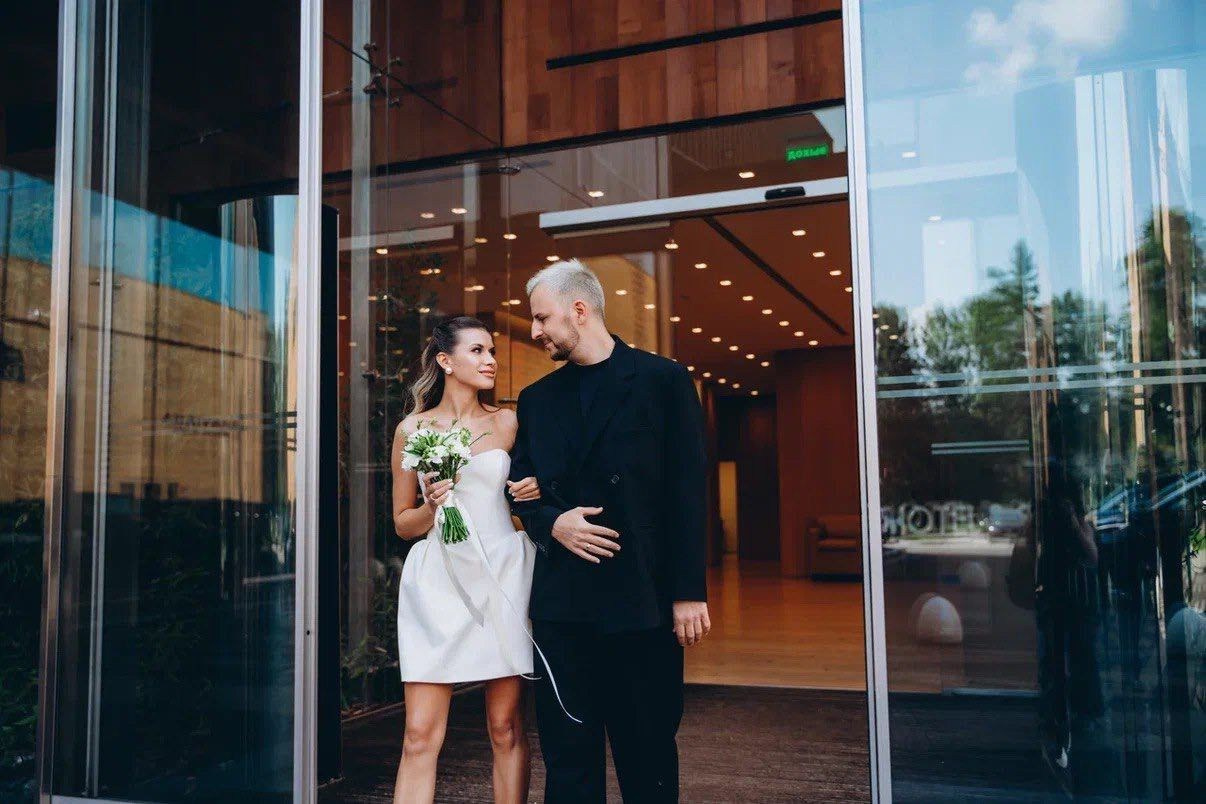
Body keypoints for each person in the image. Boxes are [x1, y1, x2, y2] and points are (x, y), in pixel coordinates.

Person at [509, 259, 711, 803]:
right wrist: (554, 522)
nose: (535, 330)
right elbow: (519, 488)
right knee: (567, 764)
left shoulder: (663, 380)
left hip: (642, 601)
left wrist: (689, 592)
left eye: (541, 317)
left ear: (579, 310)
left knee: (647, 758)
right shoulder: (536, 399)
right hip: (563, 610)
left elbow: (688, 493)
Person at [390, 316, 544, 804]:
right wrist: (432, 506)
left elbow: (529, 502)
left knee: (505, 726)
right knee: (418, 734)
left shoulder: (508, 422)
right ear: (445, 360)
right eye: (477, 350)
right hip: (438, 580)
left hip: (501, 573)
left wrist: (533, 492)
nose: (490, 360)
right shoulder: (411, 428)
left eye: (491, 351)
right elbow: (403, 523)